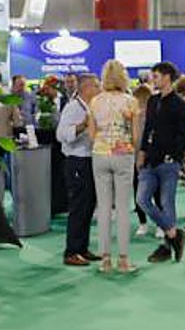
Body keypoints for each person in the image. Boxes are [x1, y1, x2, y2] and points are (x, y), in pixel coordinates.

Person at [89, 60, 142, 274]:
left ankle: (104, 260)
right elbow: (136, 135)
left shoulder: (95, 102)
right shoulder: (131, 102)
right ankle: (123, 259)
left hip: (100, 155)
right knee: (122, 208)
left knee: (103, 208)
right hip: (123, 155)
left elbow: (91, 134)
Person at [138, 61, 185, 264]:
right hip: (150, 160)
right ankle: (174, 233)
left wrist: (174, 156)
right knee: (142, 199)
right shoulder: (152, 101)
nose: (153, 79)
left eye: (157, 76)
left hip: (168, 163)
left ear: (167, 77)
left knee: (167, 203)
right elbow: (148, 129)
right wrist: (142, 151)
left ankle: (167, 245)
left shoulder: (181, 106)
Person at [57, 72, 101, 267]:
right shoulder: (73, 108)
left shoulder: (90, 107)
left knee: (88, 206)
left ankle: (82, 248)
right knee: (78, 207)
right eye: (96, 86)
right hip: (76, 161)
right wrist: (82, 126)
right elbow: (61, 134)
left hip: (89, 161)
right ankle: (72, 251)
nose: (99, 89)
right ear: (86, 88)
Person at [131, 82, 154, 237]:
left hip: (152, 160)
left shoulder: (155, 117)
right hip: (134, 160)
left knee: (156, 193)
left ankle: (160, 224)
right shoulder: (133, 117)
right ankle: (142, 222)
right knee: (138, 193)